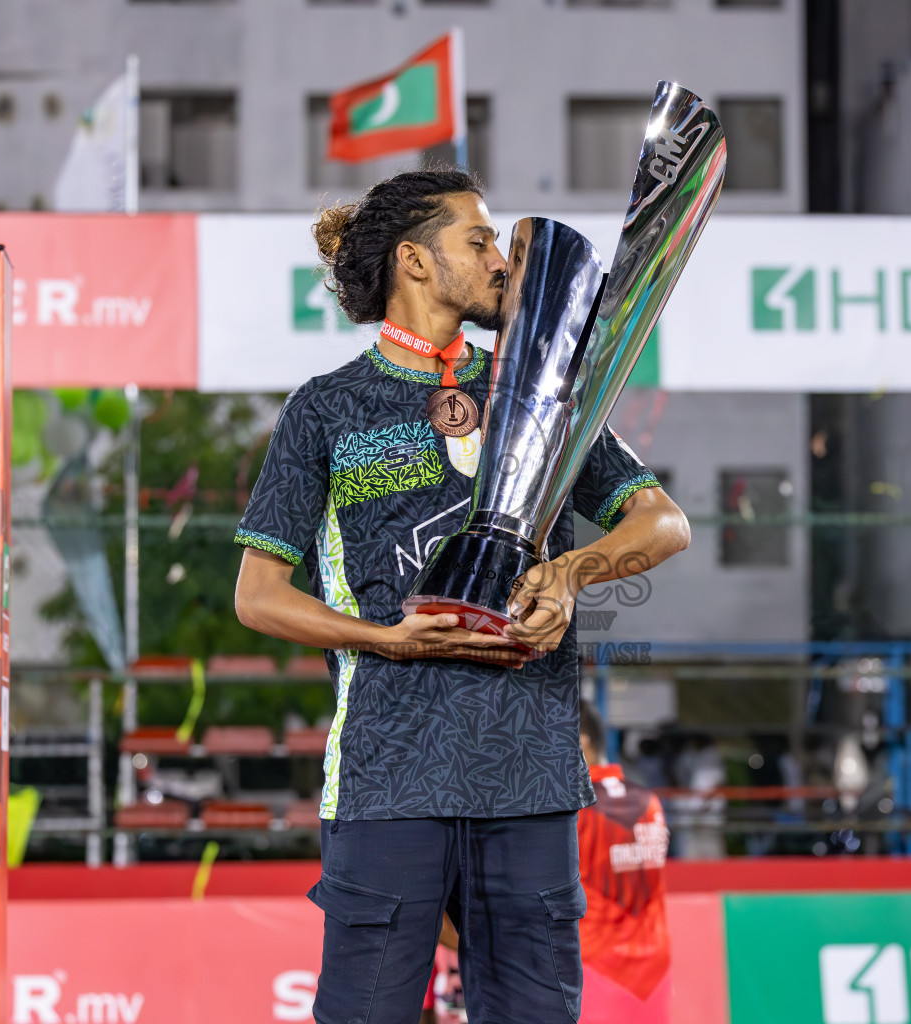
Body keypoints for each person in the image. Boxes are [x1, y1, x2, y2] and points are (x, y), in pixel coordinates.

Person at [231, 169, 690, 1024]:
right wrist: (384, 638)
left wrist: (569, 572)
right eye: (477, 241)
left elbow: (663, 523)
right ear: (414, 260)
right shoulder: (328, 410)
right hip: (389, 774)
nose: (499, 260)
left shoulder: (552, 395)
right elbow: (257, 597)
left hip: (532, 775)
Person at [576, 702, 672, 1024]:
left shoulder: (574, 810)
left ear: (581, 741)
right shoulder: (650, 800)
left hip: (595, 969)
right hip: (653, 970)